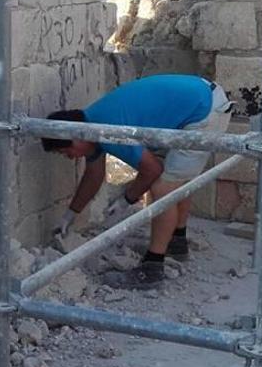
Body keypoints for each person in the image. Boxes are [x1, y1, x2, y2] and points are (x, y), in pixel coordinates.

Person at [41, 74, 234, 289]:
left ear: (76, 136)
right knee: (177, 180)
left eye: (66, 151)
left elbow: (152, 170)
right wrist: (70, 215)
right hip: (204, 97)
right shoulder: (91, 125)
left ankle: (152, 268)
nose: (69, 157)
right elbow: (93, 176)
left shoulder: (107, 129)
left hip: (203, 111)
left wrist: (127, 199)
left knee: (163, 188)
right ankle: (176, 242)